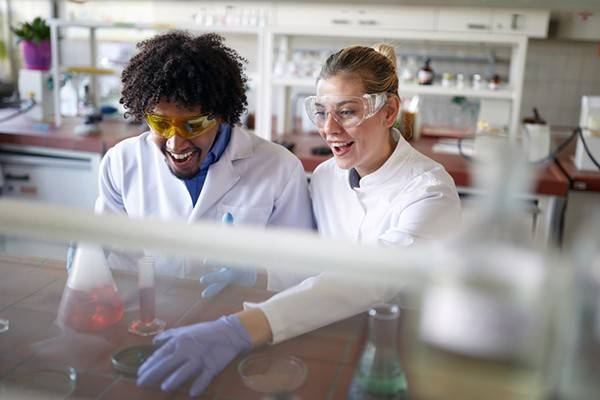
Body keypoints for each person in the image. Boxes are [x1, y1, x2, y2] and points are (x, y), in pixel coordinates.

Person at [137, 43, 461, 396]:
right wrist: (259, 273)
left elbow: (372, 277)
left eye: (347, 112)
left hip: (406, 357)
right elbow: (315, 270)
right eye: (321, 112)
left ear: (388, 112)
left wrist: (240, 329)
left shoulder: (430, 192)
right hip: (332, 335)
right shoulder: (326, 177)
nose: (329, 128)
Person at [93, 31, 314, 285]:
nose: (175, 142)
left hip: (240, 317)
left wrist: (256, 276)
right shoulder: (121, 163)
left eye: (193, 125)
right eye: (161, 123)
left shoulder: (280, 169)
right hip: (150, 315)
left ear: (220, 114)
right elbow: (116, 258)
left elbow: (297, 270)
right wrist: (91, 253)